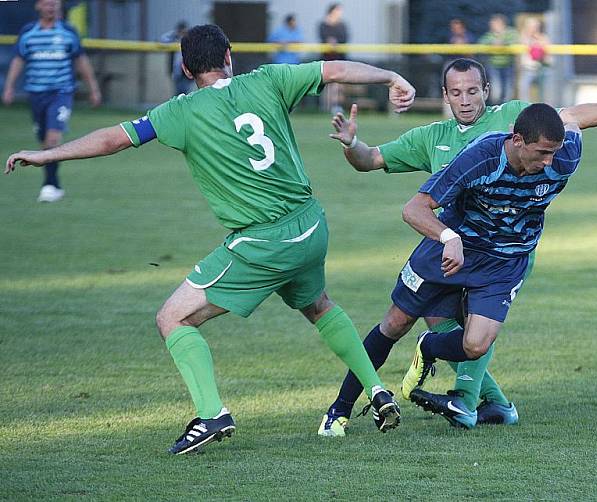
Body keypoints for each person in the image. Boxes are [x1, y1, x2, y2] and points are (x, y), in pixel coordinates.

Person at [6, 24, 416, 454]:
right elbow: (333, 70)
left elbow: (114, 139)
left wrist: (47, 154)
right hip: (311, 225)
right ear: (229, 56)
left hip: (262, 242)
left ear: (185, 68)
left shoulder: (179, 112)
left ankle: (211, 415)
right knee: (318, 306)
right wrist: (391, 77)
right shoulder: (269, 79)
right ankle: (377, 391)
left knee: (172, 318)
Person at [320, 57, 597, 434]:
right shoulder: (436, 139)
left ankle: (465, 400)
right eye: (456, 92)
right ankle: (342, 408)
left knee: (472, 338)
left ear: (486, 92)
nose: (465, 99)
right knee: (402, 321)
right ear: (445, 95)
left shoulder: (519, 119)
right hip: (452, 244)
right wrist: (352, 145)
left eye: (472, 90)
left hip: (506, 254)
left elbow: (568, 117)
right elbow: (373, 162)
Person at [2, 0, 101, 203]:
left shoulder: (68, 32)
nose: (51, 7)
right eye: (47, 4)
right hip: (36, 95)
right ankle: (53, 183)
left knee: (53, 139)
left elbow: (81, 61)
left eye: (55, 4)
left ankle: (50, 185)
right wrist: (9, 87)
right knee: (43, 139)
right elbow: (18, 60)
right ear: (38, 6)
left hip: (61, 93)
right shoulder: (28, 32)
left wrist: (94, 89)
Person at [478, 14, 517, 104]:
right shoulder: (489, 35)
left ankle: (506, 110)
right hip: (494, 66)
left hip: (508, 66)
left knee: (508, 91)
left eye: (494, 24)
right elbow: (481, 43)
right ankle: (496, 109)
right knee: (496, 91)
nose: (492, 26)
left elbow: (515, 41)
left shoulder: (510, 33)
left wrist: (503, 43)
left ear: (502, 24)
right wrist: (492, 43)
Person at [318, 3, 349, 113]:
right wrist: (329, 41)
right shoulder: (323, 24)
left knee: (338, 84)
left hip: (339, 58)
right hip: (327, 58)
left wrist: (336, 42)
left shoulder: (342, 25)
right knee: (326, 83)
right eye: (338, 10)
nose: (340, 13)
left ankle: (336, 106)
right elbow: (322, 37)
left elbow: (345, 38)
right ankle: (326, 107)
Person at [517, 17, 550, 102]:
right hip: (527, 69)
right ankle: (525, 113)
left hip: (541, 69)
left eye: (535, 26)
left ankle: (544, 113)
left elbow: (547, 52)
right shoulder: (523, 37)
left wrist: (539, 39)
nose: (534, 28)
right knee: (524, 95)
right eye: (531, 26)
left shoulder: (543, 37)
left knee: (543, 95)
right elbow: (523, 43)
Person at [159, 21, 194, 96]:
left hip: (187, 71)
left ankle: (182, 106)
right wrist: (174, 33)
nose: (183, 33)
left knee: (184, 92)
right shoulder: (173, 39)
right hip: (177, 71)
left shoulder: (189, 39)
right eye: (181, 31)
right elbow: (163, 39)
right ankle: (179, 106)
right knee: (179, 93)